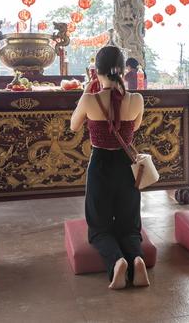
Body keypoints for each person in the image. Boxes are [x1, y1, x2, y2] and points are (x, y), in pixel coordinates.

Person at [70, 46, 149, 290]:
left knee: (99, 227)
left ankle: (116, 263)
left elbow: (74, 126)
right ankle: (136, 259)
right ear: (123, 70)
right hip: (127, 166)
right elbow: (133, 129)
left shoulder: (89, 100)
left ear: (97, 71)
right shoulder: (136, 99)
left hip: (101, 164)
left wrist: (86, 92)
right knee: (129, 225)